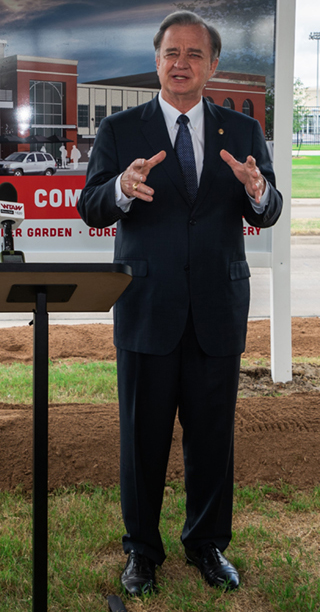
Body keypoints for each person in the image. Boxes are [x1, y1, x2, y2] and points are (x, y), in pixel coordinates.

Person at [77, 11, 282, 598]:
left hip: (217, 307)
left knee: (212, 437)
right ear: (158, 61)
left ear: (212, 65)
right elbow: (91, 206)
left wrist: (257, 190)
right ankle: (142, 551)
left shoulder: (241, 133)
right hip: (146, 306)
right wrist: (120, 188)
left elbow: (267, 210)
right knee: (141, 438)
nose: (182, 63)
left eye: (195, 54)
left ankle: (207, 543)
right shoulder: (121, 130)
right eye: (172, 53)